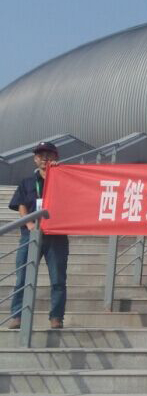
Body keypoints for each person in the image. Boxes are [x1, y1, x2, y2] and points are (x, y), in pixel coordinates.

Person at [7, 141, 68, 330]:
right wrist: (29, 224)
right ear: (35, 159)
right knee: (22, 277)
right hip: (31, 235)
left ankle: (56, 317)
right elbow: (22, 205)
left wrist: (60, 172)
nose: (45, 159)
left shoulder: (63, 179)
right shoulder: (27, 182)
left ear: (56, 157)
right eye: (41, 155)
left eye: (49, 155)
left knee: (58, 279)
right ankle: (17, 316)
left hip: (56, 236)